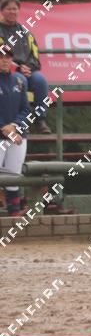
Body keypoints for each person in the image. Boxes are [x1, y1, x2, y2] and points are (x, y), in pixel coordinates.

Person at [0, 0, 51, 133]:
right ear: (1, 10)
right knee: (20, 80)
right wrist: (17, 68)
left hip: (27, 70)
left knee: (40, 80)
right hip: (6, 72)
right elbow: (2, 56)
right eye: (9, 9)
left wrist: (29, 68)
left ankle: (40, 120)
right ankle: (19, 124)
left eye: (15, 9)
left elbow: (35, 56)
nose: (12, 12)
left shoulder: (25, 32)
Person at [0, 43, 30, 216]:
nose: (4, 60)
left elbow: (26, 109)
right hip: (3, 135)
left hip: (18, 135)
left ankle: (14, 215)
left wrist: (15, 126)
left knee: (13, 176)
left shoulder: (20, 80)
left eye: (8, 57)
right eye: (1, 57)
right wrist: (5, 129)